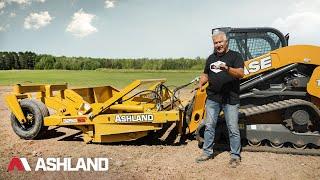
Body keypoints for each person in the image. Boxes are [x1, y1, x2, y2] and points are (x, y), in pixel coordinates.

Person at [195, 30, 244, 168]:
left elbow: (240, 73)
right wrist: (201, 81)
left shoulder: (235, 56)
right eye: (215, 43)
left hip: (231, 99)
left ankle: (235, 156)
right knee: (209, 126)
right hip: (213, 98)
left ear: (226, 42)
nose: (218, 45)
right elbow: (206, 73)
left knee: (233, 128)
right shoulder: (211, 58)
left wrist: (227, 68)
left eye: (220, 42)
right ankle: (207, 152)